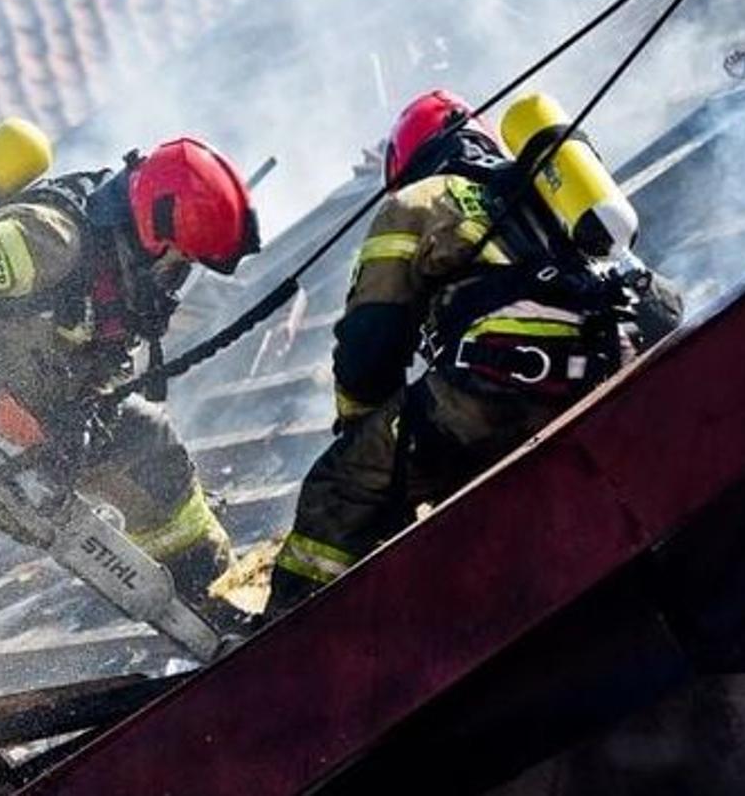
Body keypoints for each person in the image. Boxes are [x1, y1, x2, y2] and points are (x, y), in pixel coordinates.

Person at [0, 136, 264, 713]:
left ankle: (214, 600)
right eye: (180, 259)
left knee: (152, 452)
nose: (179, 277)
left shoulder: (120, 258)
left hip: (43, 410)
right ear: (156, 232)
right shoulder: (53, 239)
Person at [263, 90, 683, 617]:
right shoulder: (548, 192)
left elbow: (371, 342)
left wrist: (360, 430)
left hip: (499, 392)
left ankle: (292, 636)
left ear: (407, 162)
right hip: (611, 370)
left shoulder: (419, 200)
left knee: (343, 487)